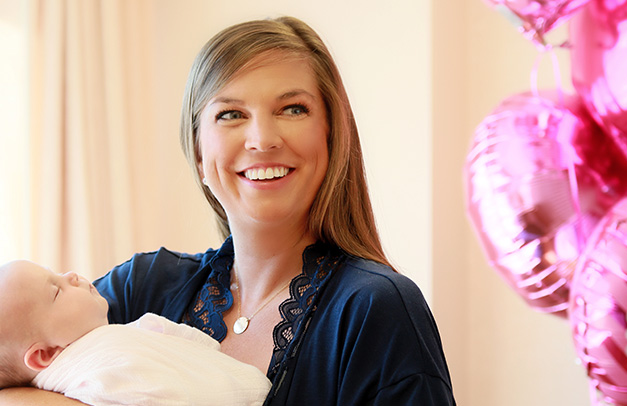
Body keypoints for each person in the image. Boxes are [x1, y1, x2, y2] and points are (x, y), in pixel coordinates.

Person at [0, 15, 454, 405]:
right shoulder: (143, 289)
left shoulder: (377, 310)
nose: (262, 139)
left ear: (331, 138)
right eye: (231, 114)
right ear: (199, 154)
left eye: (292, 109)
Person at [0, 260, 271, 406]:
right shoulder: (91, 376)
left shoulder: (112, 333)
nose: (71, 275)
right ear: (44, 354)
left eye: (56, 273)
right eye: (56, 290)